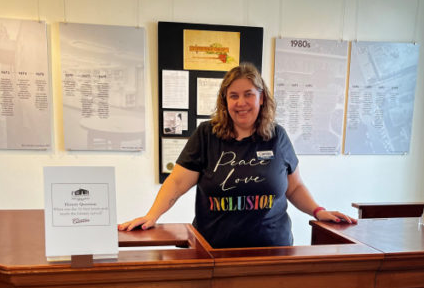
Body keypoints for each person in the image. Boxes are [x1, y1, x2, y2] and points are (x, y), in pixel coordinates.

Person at [118, 63, 355, 248]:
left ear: (261, 98)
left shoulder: (277, 136)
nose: (241, 102)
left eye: (248, 94)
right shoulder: (207, 134)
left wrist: (317, 211)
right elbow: (178, 182)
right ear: (225, 101)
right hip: (214, 250)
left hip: (272, 250)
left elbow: (294, 187)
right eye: (233, 96)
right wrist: (152, 215)